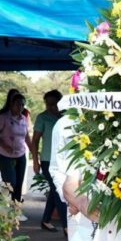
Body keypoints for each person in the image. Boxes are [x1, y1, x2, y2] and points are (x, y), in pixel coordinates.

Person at [31, 90, 68, 233]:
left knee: (54, 190)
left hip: (64, 160)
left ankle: (46, 220)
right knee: (59, 191)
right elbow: (35, 141)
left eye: (53, 104)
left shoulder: (67, 116)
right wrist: (35, 161)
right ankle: (66, 226)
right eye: (48, 104)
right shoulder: (42, 118)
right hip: (48, 161)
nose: (50, 107)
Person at [0, 92, 33, 215]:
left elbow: (27, 137)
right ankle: (1, 204)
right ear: (11, 104)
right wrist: (5, 146)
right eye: (17, 104)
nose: (20, 107)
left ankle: (16, 211)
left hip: (20, 155)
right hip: (6, 156)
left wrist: (34, 154)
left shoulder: (24, 119)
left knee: (19, 185)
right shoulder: (3, 118)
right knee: (11, 183)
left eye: (22, 105)